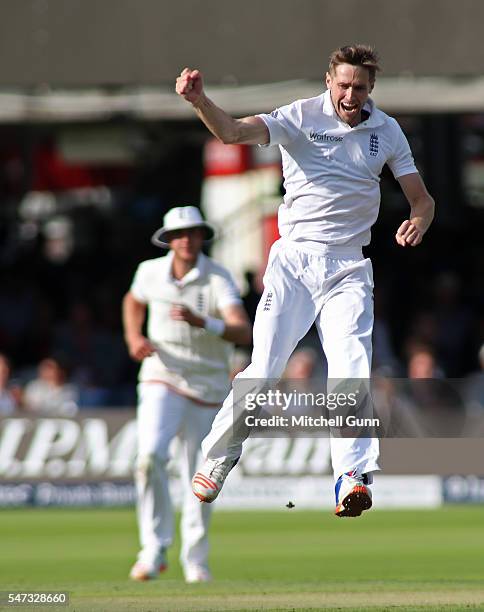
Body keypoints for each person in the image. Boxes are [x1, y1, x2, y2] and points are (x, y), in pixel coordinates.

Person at [176, 44, 435, 517]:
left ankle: (351, 477)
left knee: (352, 369)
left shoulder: (388, 131)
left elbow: (422, 198)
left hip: (350, 267)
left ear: (371, 88)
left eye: (359, 86)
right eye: (342, 85)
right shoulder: (299, 116)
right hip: (294, 263)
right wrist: (199, 101)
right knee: (266, 368)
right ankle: (218, 459)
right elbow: (233, 132)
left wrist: (421, 217)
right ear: (328, 81)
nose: (350, 94)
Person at [122, 206, 251, 582]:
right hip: (161, 375)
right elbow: (133, 301)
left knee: (200, 477)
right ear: (168, 240)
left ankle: (195, 559)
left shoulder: (217, 277)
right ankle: (153, 550)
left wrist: (203, 322)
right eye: (179, 234)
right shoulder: (149, 272)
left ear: (201, 236)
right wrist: (133, 338)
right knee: (148, 458)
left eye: (193, 233)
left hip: (208, 384)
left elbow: (241, 331)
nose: (187, 240)